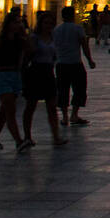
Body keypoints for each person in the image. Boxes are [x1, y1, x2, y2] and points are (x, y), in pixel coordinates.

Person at [20, 11, 66, 149]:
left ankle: (56, 136)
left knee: (52, 106)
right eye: (46, 23)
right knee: (31, 106)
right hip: (36, 72)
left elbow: (54, 56)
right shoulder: (34, 38)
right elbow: (27, 56)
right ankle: (27, 136)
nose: (48, 26)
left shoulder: (52, 38)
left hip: (48, 72)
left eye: (51, 23)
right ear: (40, 24)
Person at [0, 12, 27, 151]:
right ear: (8, 24)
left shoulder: (20, 40)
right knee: (10, 110)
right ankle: (18, 141)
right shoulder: (0, 40)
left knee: (4, 111)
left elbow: (30, 50)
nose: (18, 25)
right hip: (3, 75)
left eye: (19, 22)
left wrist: (24, 34)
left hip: (15, 76)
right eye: (15, 22)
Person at [54, 5, 95, 126]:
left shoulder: (56, 30)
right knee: (80, 89)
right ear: (72, 15)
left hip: (61, 64)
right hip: (75, 63)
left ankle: (65, 116)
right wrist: (90, 60)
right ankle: (74, 114)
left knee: (62, 90)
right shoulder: (78, 29)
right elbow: (84, 46)